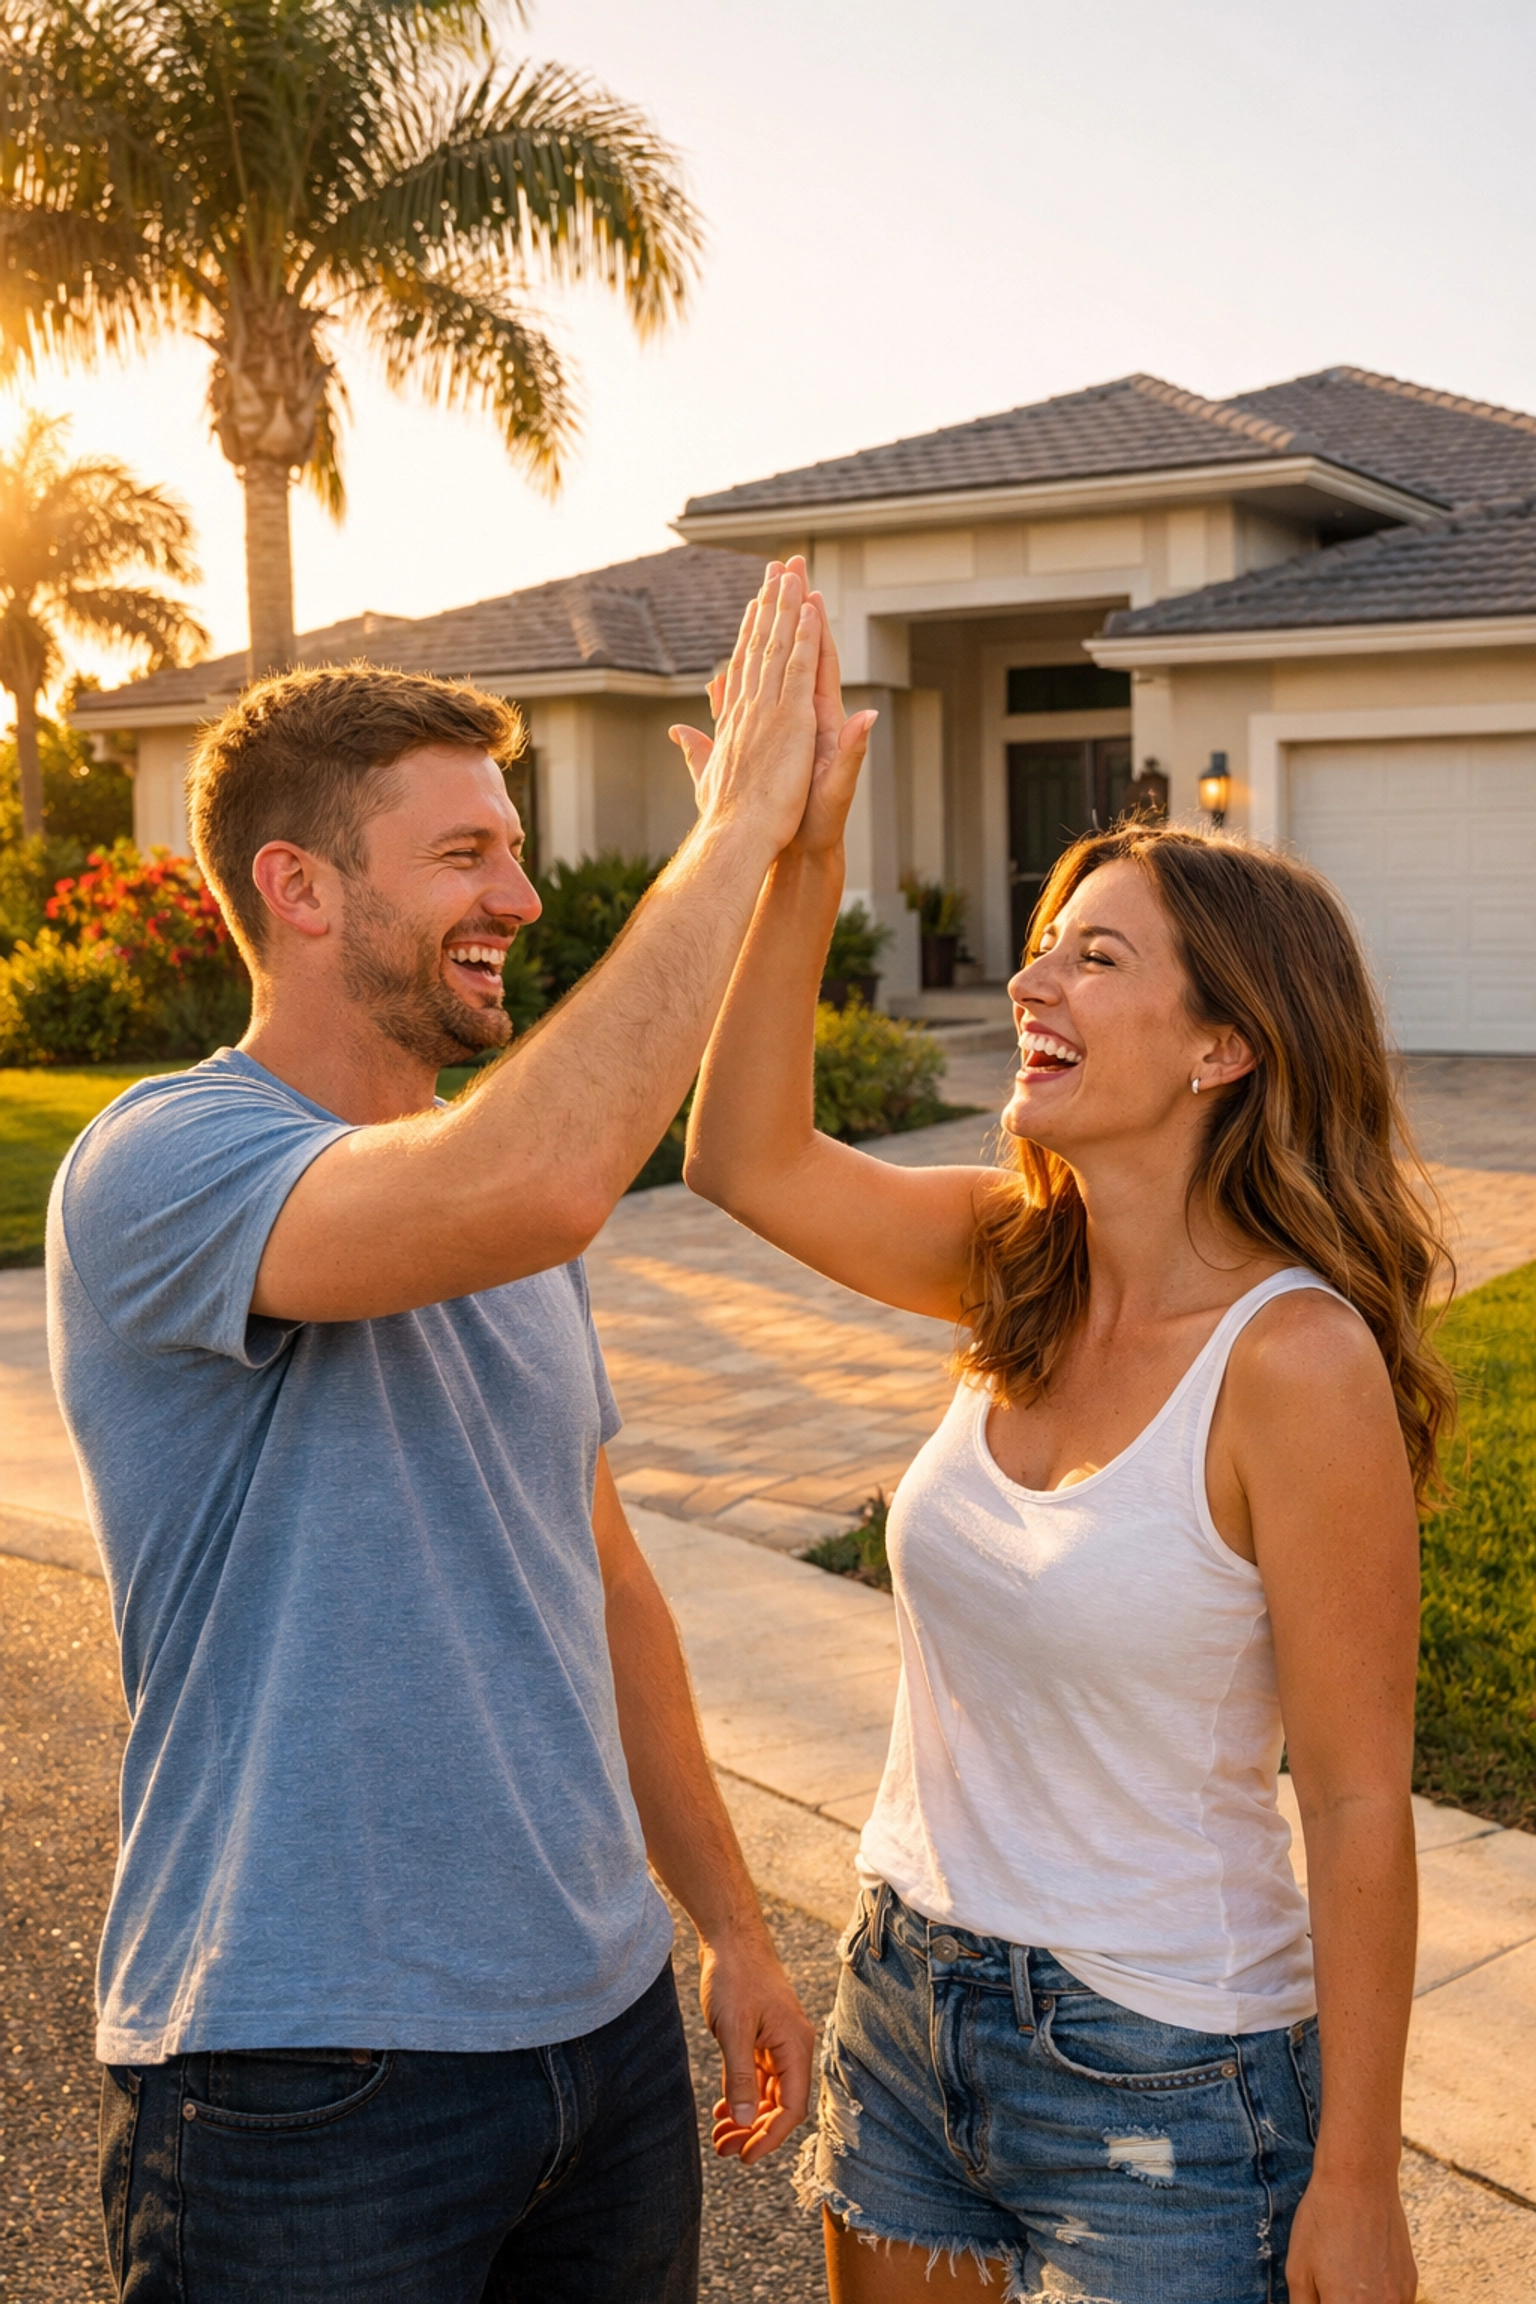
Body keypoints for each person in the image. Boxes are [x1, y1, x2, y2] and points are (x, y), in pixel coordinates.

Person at [49, 564, 871, 2302]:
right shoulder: (162, 1164)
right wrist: (736, 832)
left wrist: (726, 1921)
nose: (520, 892)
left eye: (514, 844)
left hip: (600, 2040)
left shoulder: (491, 1211)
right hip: (305, 2070)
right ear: (301, 890)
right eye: (462, 859)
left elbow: (605, 1585)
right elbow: (554, 1174)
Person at [676, 581, 1448, 2304]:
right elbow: (739, 1158)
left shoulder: (1295, 1364)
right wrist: (797, 855)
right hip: (909, 1991)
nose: (1036, 978)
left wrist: (1360, 2183)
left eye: (1097, 958)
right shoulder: (1012, 1258)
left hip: (1168, 2064)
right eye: (1047, 943)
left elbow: (1353, 1798)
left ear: (1227, 1045)